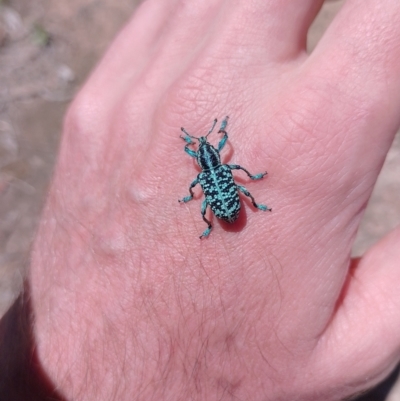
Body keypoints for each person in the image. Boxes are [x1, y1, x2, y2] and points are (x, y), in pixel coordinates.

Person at [2, 0, 400, 399]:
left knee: (224, 195)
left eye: (206, 149)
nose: (209, 151)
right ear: (207, 159)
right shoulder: (216, 171)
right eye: (206, 150)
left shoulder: (210, 174)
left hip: (225, 206)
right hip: (228, 204)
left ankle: (230, 216)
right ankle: (234, 214)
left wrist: (218, 153)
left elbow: (211, 173)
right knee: (232, 190)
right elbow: (218, 172)